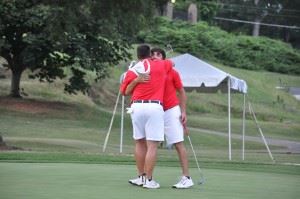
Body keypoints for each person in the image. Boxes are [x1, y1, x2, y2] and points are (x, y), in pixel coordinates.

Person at [125, 47, 194, 189]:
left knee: (177, 142)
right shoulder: (148, 70)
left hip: (170, 110)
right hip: (155, 109)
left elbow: (181, 91)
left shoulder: (172, 72)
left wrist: (183, 111)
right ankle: (143, 177)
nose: (155, 56)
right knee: (144, 142)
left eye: (158, 54)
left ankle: (186, 177)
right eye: (153, 54)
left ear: (163, 57)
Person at [120, 44, 172, 189]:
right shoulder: (161, 64)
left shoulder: (133, 69)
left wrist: (136, 80)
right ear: (150, 54)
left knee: (139, 142)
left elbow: (124, 92)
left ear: (137, 55)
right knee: (152, 145)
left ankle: (141, 177)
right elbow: (171, 63)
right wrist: (157, 59)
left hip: (136, 107)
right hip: (154, 107)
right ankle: (149, 180)